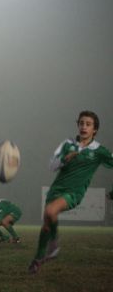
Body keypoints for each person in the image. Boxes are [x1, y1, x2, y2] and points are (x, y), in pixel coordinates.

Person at [29, 110, 113, 274]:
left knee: (50, 211)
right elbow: (51, 166)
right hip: (56, 190)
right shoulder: (67, 144)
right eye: (81, 123)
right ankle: (38, 259)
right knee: (46, 223)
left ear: (94, 130)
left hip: (74, 193)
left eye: (88, 124)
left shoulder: (99, 151)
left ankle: (53, 244)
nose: (84, 127)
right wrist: (64, 160)